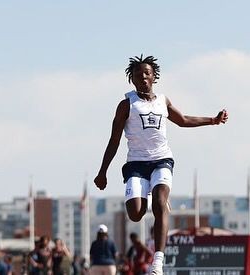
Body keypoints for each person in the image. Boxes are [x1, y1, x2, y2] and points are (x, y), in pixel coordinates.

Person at [94, 55, 228, 275]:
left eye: (147, 73)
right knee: (136, 213)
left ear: (154, 76)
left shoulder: (163, 101)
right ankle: (151, 196)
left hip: (161, 160)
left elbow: (183, 119)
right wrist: (102, 172)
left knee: (159, 201)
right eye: (138, 75)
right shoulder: (126, 104)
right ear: (132, 79)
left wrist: (212, 120)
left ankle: (157, 261)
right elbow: (114, 140)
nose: (143, 77)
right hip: (136, 163)